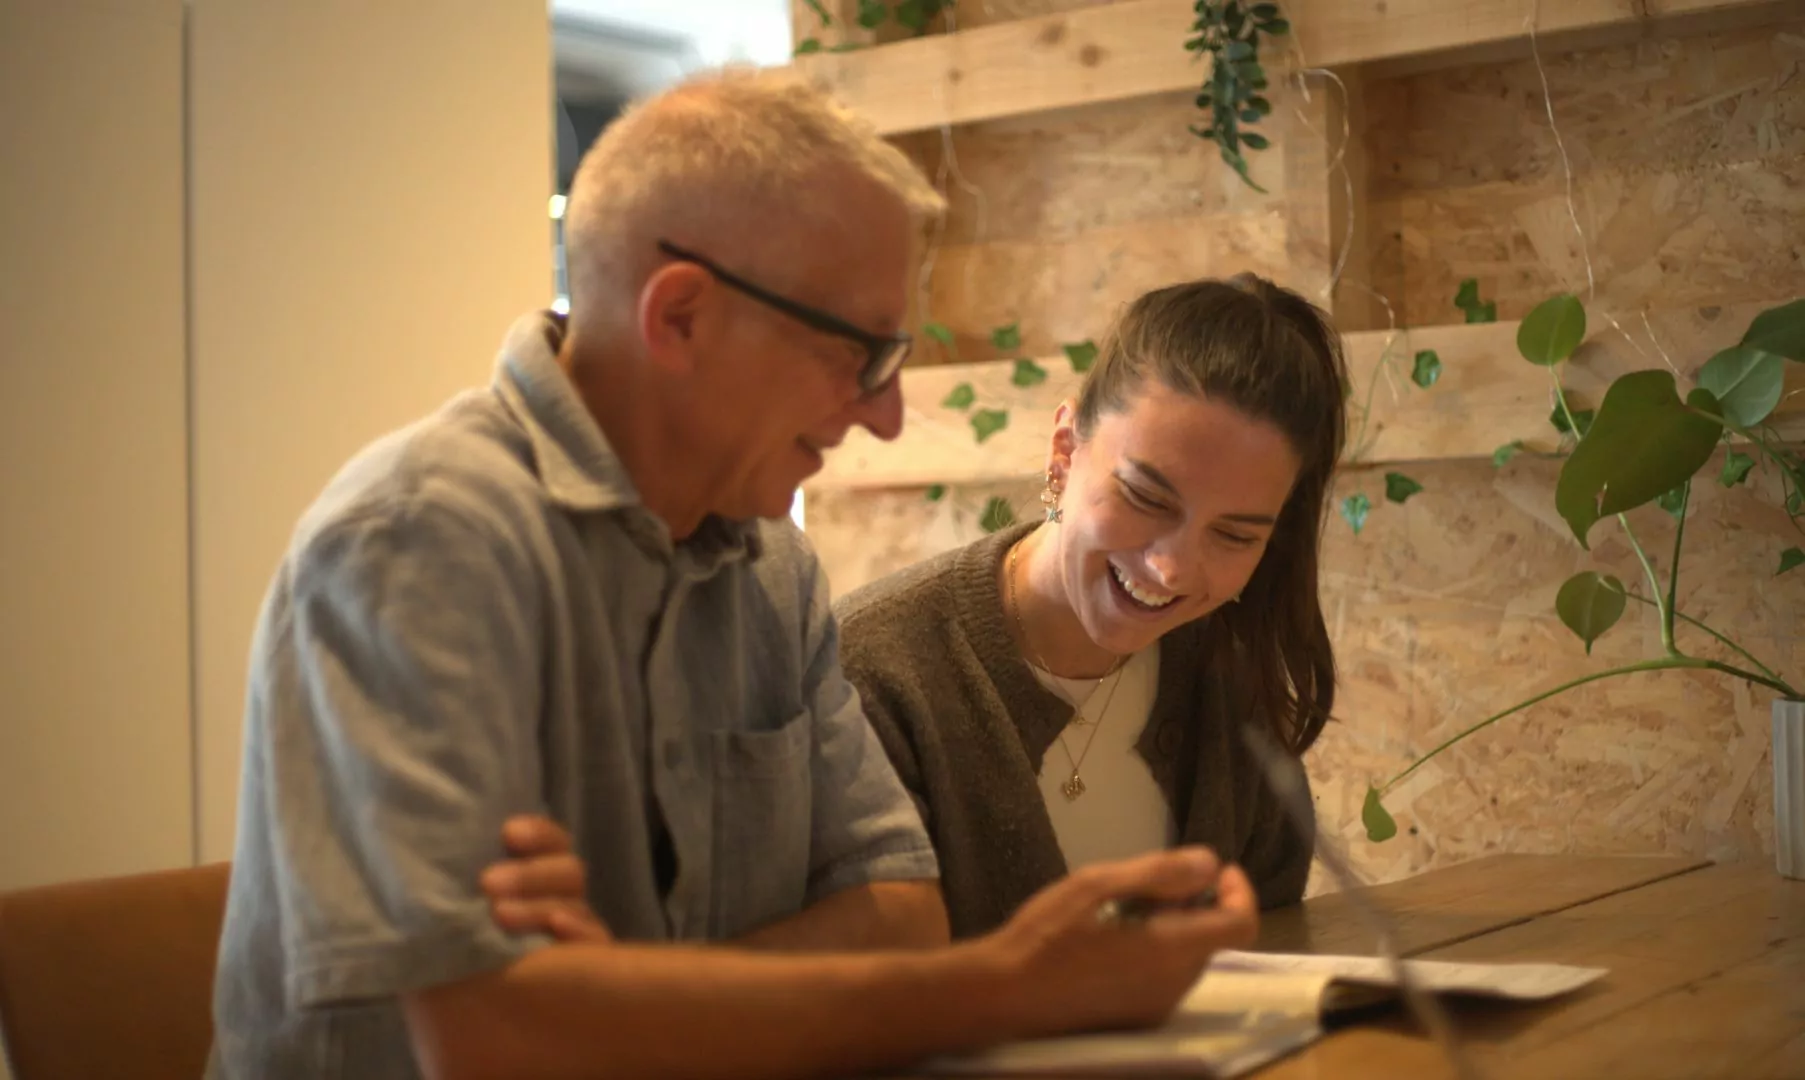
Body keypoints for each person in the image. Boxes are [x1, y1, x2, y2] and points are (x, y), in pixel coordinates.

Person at [203, 66, 1260, 1080]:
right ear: (679, 316)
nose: (883, 416)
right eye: (859, 355)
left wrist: (607, 992)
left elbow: (899, 917)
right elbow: (493, 1043)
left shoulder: (771, 571)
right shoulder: (418, 545)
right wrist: (1005, 985)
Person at [832, 275, 1348, 939]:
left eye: (1233, 535)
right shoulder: (875, 671)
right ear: (1064, 448)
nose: (1170, 567)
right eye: (1147, 499)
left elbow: (1272, 941)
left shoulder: (1227, 673)